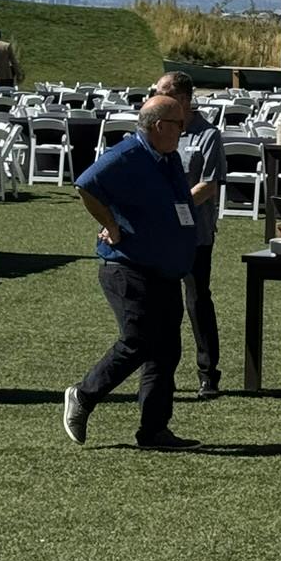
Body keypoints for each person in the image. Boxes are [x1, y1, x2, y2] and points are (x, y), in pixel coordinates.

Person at [62, 95, 198, 449]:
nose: (183, 131)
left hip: (165, 269)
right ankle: (83, 395)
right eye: (178, 124)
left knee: (166, 350)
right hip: (127, 266)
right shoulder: (126, 155)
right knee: (138, 340)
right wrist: (111, 224)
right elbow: (86, 184)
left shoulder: (168, 158)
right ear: (158, 126)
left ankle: (154, 430)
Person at [150, 71, 226, 400]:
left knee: (197, 302)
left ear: (182, 98)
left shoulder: (207, 136)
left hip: (195, 235)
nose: (155, 95)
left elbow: (209, 185)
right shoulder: (157, 129)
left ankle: (208, 374)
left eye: (162, 92)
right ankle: (158, 372)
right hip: (159, 235)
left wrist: (176, 206)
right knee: (160, 305)